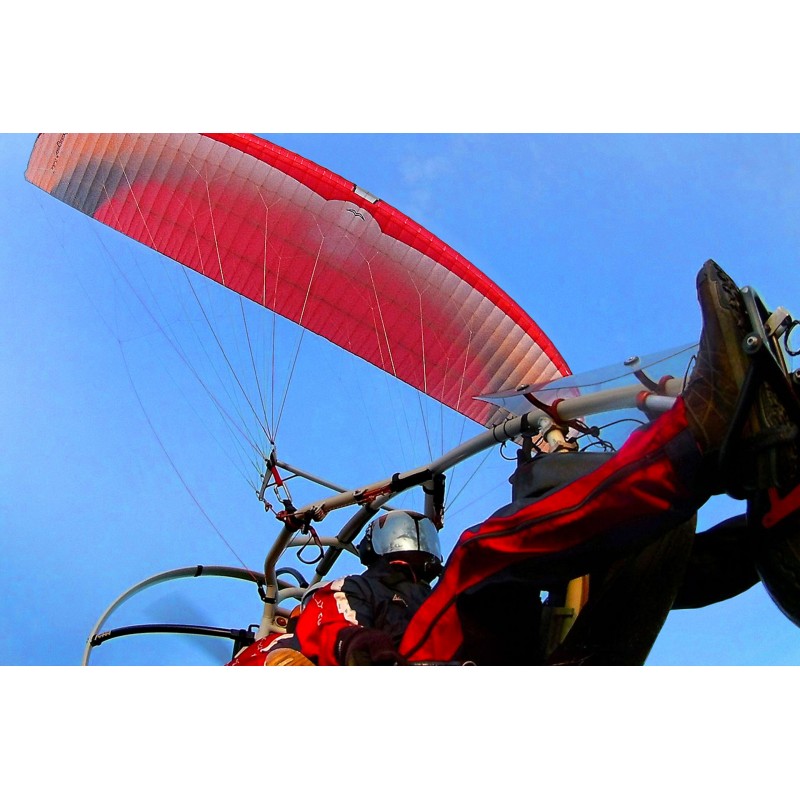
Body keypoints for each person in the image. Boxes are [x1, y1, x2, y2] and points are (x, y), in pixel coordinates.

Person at [396, 260, 799, 665]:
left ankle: (776, 508)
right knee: (477, 556)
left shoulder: (408, 591)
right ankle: (699, 439)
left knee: (635, 553)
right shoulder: (362, 595)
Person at [289, 509, 444, 665]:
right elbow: (332, 627)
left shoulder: (439, 600)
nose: (418, 541)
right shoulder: (356, 588)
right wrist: (356, 642)